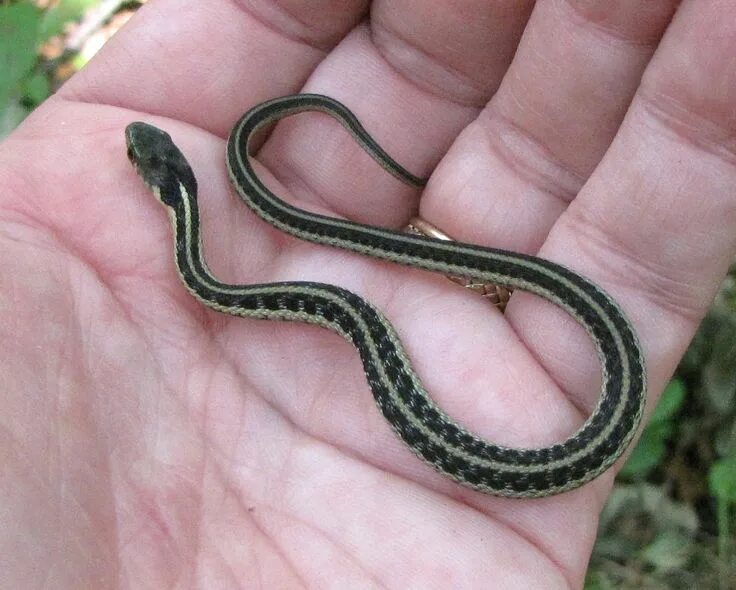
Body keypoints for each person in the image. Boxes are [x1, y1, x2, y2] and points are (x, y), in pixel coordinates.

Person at [0, 1, 733, 587]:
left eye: (140, 156)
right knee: (354, 315)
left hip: (539, 446)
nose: (139, 149)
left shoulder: (204, 269)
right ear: (166, 187)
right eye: (143, 157)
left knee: (354, 315)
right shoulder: (200, 275)